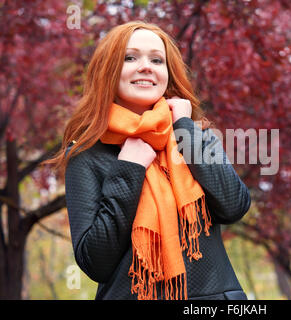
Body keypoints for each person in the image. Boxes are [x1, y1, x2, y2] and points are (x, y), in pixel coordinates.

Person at [46, 21, 251, 300]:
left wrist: (185, 128)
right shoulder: (86, 153)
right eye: (130, 57)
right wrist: (129, 170)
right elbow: (96, 262)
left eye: (157, 60)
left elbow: (234, 206)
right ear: (108, 71)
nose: (146, 66)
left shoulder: (193, 135)